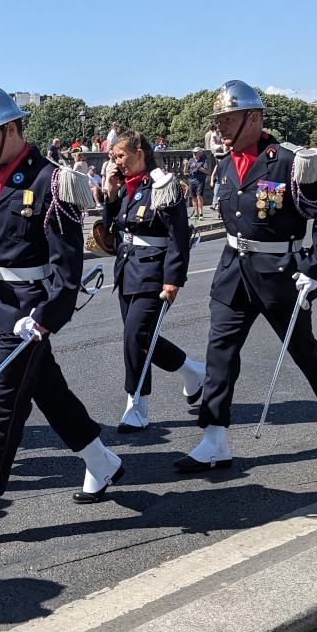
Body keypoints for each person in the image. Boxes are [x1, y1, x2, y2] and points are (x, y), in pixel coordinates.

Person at [0, 85, 123, 545]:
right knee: (50, 394)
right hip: (1, 304)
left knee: (2, 406)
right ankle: (100, 460)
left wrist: (46, 317)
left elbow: (67, 268)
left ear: (11, 130)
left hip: (31, 312)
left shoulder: (53, 182)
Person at [180, 80, 317, 474]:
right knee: (219, 353)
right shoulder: (224, 165)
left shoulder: (291, 163)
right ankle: (214, 438)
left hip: (279, 274)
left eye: (228, 119)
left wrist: (313, 269)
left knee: (302, 348)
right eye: (219, 120)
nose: (220, 128)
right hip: (232, 273)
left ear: (253, 119)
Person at [102, 130, 206, 432]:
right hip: (127, 268)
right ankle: (193, 372)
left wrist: (173, 279)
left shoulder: (163, 183)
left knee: (135, 337)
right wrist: (110, 194)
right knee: (141, 338)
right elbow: (114, 225)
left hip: (153, 272)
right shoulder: (126, 185)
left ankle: (136, 406)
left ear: (139, 153)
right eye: (113, 156)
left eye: (120, 155)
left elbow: (179, 236)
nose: (115, 162)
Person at [186, 147, 209, 220]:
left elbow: (206, 171)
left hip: (200, 180)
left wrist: (197, 167)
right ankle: (196, 213)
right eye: (193, 152)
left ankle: (201, 213)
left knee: (199, 196)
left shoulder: (203, 160)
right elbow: (186, 171)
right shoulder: (191, 160)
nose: (194, 154)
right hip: (192, 180)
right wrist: (185, 165)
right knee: (193, 197)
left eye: (195, 152)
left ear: (200, 153)